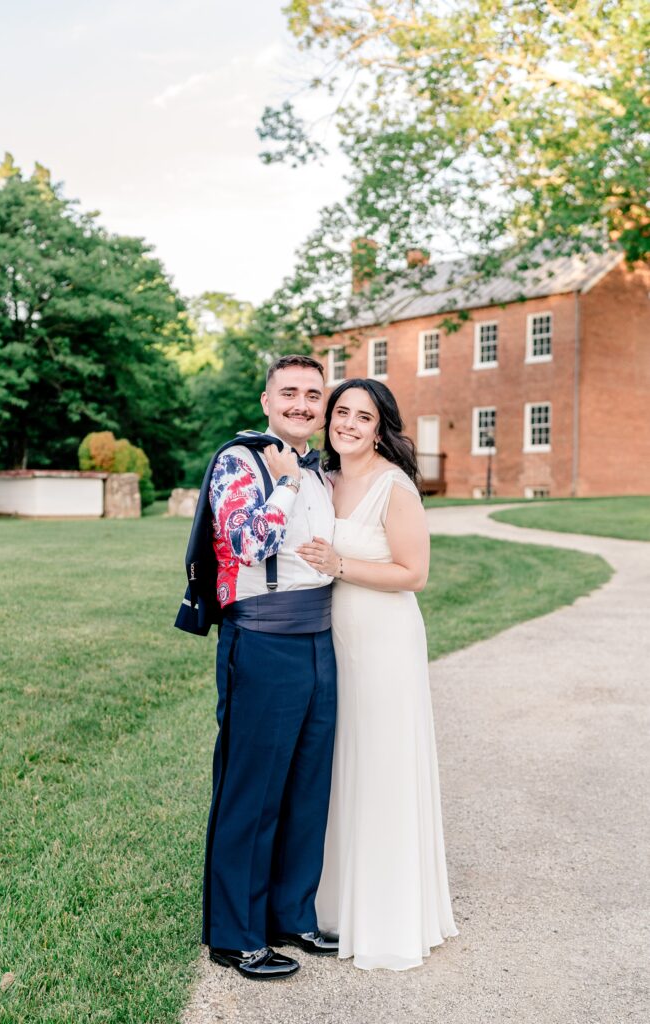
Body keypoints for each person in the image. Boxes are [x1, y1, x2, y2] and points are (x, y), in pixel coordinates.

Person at [297, 378, 458, 971]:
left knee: (383, 764)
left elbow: (414, 573)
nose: (348, 424)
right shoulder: (323, 480)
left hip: (385, 641)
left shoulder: (395, 487)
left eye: (363, 417)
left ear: (380, 426)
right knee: (341, 766)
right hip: (333, 637)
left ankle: (389, 915)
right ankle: (335, 905)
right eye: (341, 412)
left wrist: (341, 563)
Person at [202, 354, 339, 981]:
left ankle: (292, 914)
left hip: (319, 638)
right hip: (262, 638)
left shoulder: (322, 472)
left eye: (314, 394)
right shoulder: (242, 461)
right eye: (290, 393)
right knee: (252, 791)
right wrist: (282, 480)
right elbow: (246, 545)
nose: (302, 404)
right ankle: (236, 934)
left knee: (308, 787)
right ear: (266, 400)